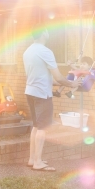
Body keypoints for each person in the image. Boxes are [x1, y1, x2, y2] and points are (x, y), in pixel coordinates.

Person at [23, 23, 81, 171]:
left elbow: (44, 77)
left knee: (36, 126)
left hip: (30, 92)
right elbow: (59, 77)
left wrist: (67, 84)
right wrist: (72, 84)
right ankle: (38, 162)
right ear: (43, 34)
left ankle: (32, 160)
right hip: (42, 95)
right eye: (47, 31)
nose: (48, 33)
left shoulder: (27, 51)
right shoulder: (45, 51)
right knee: (42, 128)